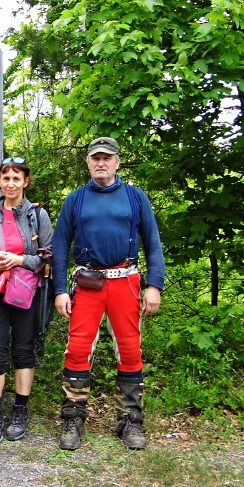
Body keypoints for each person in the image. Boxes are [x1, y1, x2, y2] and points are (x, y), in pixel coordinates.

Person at [52, 137, 165, 451]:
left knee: (130, 352)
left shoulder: (134, 197)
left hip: (125, 282)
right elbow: (60, 247)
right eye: (95, 158)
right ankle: (73, 419)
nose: (101, 163)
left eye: (107, 158)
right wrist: (60, 290)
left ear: (117, 162)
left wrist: (154, 285)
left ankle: (130, 422)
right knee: (77, 350)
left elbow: (153, 242)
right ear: (88, 163)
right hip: (88, 284)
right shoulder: (75, 200)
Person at [0, 157, 53, 445]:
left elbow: (47, 255)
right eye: (6, 178)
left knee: (23, 350)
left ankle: (20, 411)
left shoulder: (37, 215)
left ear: (25, 182)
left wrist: (19, 259)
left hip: (25, 293)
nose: (11, 183)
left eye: (16, 178)